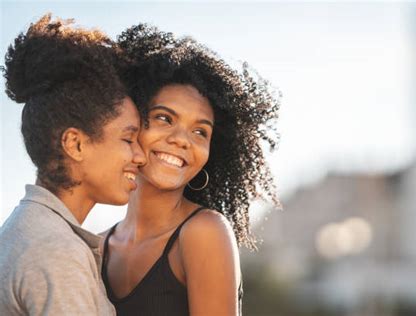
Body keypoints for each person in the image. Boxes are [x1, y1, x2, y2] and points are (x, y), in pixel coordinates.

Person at [101, 24, 281, 315]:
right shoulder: (97, 247)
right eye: (164, 118)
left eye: (200, 132)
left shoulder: (204, 232)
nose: (182, 140)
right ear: (132, 122)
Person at [0, 14, 146, 315]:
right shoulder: (56, 250)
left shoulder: (28, 229)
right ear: (75, 144)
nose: (140, 156)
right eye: (128, 139)